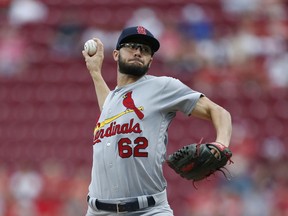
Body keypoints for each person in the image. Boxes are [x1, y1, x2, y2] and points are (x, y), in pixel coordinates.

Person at [82, 26, 232, 216]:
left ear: (150, 60)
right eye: (132, 46)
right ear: (116, 54)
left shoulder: (162, 86)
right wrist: (95, 73)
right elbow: (108, 112)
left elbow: (219, 111)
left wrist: (221, 143)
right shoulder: (113, 99)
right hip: (97, 211)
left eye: (145, 50)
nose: (138, 52)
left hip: (148, 210)